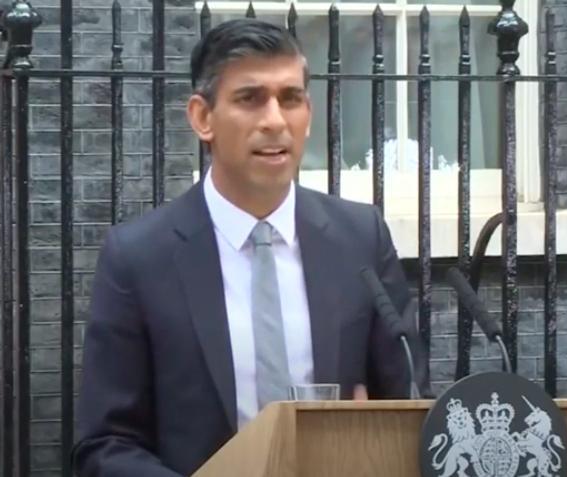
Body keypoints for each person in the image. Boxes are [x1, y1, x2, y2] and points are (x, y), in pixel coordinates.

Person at [72, 18, 421, 477]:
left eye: (290, 99)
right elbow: (105, 445)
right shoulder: (139, 257)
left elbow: (409, 404)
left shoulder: (360, 237)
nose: (275, 120)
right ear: (202, 118)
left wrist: (373, 443)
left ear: (308, 113)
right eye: (250, 98)